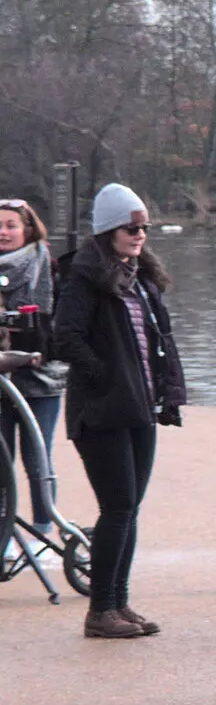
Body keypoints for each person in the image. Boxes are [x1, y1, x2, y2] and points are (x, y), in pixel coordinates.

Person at [52, 184, 187, 638]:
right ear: (109, 229)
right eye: (132, 228)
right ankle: (99, 610)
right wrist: (105, 373)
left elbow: (156, 342)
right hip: (102, 410)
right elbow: (65, 337)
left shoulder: (141, 278)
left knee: (131, 509)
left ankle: (119, 602)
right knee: (117, 507)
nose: (140, 234)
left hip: (140, 407)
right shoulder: (84, 276)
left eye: (145, 227)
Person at [0, 198, 66, 558]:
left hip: (40, 375)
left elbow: (58, 319)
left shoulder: (46, 263)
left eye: (11, 224)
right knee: (0, 460)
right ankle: (3, 533)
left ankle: (42, 532)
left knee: (36, 456)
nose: (3, 232)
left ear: (26, 228)